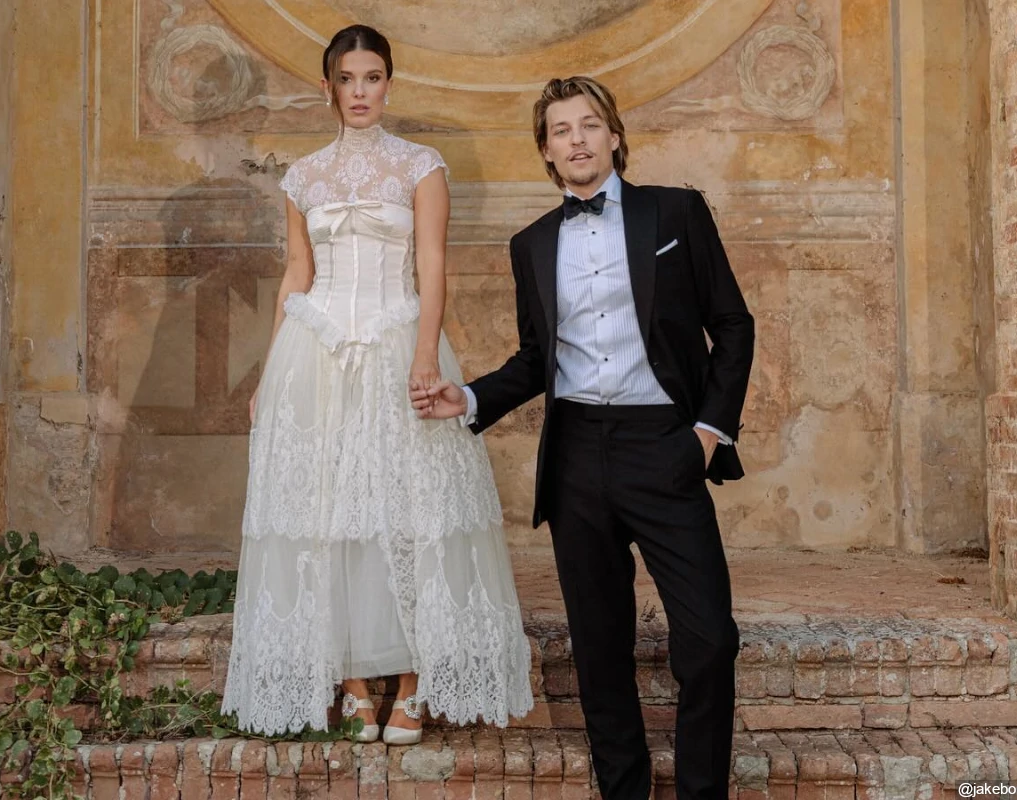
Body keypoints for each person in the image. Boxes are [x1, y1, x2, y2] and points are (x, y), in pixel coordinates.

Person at [412, 76, 754, 799]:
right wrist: (467, 397)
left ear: (614, 135)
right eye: (561, 130)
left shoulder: (676, 212)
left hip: (664, 445)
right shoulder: (531, 244)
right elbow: (536, 359)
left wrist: (705, 433)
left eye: (589, 125)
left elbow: (732, 324)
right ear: (546, 150)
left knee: (708, 639)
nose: (577, 139)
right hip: (576, 458)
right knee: (599, 651)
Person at [222, 24, 533, 746]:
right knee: (325, 512)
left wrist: (424, 357)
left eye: (372, 78)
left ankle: (415, 686)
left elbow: (433, 267)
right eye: (347, 79)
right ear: (327, 87)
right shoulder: (302, 177)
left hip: (398, 343)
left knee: (411, 508)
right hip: (315, 352)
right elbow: (297, 273)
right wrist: (269, 373)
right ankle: (354, 685)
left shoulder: (420, 165)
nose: (360, 92)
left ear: (388, 84)